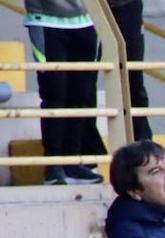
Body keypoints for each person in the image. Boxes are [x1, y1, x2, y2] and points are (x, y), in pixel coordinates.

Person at [24, 0, 107, 184]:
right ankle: (53, 167)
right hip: (45, 21)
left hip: (88, 20)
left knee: (81, 96)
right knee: (54, 95)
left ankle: (73, 163)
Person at [108, 0, 152, 140]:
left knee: (132, 79)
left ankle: (143, 144)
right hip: (81, 12)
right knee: (81, 82)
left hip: (125, 6)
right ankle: (85, 149)